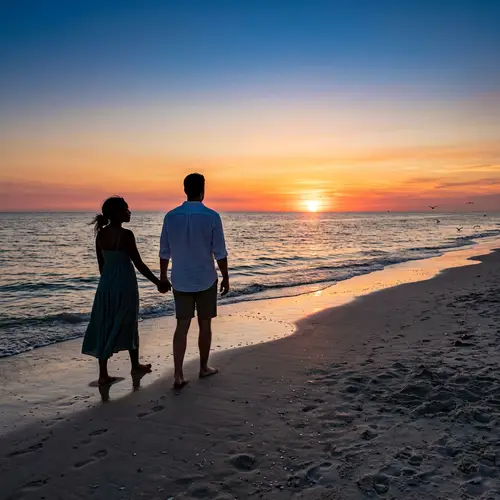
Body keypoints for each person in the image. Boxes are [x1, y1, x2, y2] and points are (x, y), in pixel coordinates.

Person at [82, 196, 169, 386]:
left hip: (106, 284)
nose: (129, 212)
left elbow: (101, 265)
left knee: (104, 322)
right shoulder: (126, 235)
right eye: (126, 209)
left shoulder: (101, 235)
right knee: (129, 320)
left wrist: (107, 283)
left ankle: (103, 374)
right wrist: (158, 282)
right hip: (125, 283)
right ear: (116, 213)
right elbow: (138, 263)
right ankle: (135, 365)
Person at [159, 173, 229, 389]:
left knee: (182, 326)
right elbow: (219, 251)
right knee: (204, 323)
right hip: (205, 277)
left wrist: (162, 276)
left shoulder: (171, 216)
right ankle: (203, 367)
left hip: (180, 279)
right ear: (202, 190)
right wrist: (226, 276)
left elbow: (164, 251)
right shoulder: (211, 216)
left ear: (185, 190)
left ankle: (178, 374)